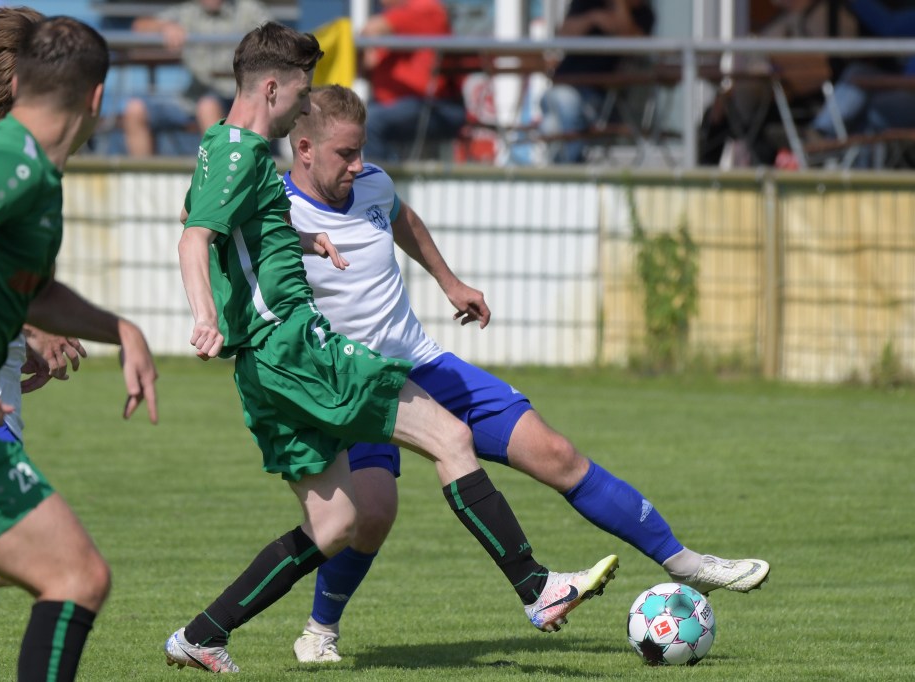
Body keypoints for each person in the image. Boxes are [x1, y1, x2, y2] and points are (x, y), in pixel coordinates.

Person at [163, 21, 617, 675]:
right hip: (299, 348)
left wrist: (297, 239)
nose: (304, 106)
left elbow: (204, 216)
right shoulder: (241, 154)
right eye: (301, 93)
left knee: (334, 527)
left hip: (268, 368)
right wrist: (205, 316)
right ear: (272, 89)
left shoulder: (220, 146)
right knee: (451, 438)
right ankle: (536, 587)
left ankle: (202, 634)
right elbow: (195, 236)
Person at [281, 84, 772, 663]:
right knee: (372, 515)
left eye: (361, 150)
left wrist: (449, 282)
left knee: (556, 452)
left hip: (422, 361)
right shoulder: (276, 211)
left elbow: (400, 217)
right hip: (355, 384)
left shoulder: (372, 183)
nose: (358, 164)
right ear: (305, 149)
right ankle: (320, 631)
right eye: (346, 153)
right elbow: (203, 221)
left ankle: (685, 563)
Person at [0, 16, 159, 682]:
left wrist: (121, 330)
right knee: (76, 576)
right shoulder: (8, 160)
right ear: (98, 97)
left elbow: (33, 290)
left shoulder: (32, 170)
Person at [697, 0, 859, 166]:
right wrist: (727, 94)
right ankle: (701, 176)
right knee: (715, 115)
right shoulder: (783, 18)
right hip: (768, 97)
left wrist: (781, 72)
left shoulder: (829, 16)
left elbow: (823, 68)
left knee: (756, 124)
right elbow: (760, 62)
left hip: (803, 102)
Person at [121, 0, 271, 157]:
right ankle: (143, 172)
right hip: (190, 97)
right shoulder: (188, 11)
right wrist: (164, 27)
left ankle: (220, 170)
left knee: (207, 106)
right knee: (134, 109)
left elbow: (275, 40)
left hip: (234, 98)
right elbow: (139, 26)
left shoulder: (248, 10)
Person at [806, 0, 915, 165]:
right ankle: (820, 133)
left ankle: (852, 168)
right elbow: (890, 27)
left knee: (876, 109)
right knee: (857, 72)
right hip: (907, 89)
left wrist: (897, 83)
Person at [538, 0, 656, 164]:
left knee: (552, 124)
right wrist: (593, 18)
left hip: (600, 98)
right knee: (561, 106)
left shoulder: (642, 14)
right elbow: (562, 36)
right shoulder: (587, 4)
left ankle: (565, 172)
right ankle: (570, 171)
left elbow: (630, 40)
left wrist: (619, 5)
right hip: (562, 88)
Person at [359, 0, 466, 162]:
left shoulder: (424, 8)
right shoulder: (396, 23)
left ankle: (378, 178)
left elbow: (373, 28)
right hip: (395, 106)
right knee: (348, 119)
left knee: (370, 122)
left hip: (436, 107)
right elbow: (368, 65)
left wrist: (367, 42)